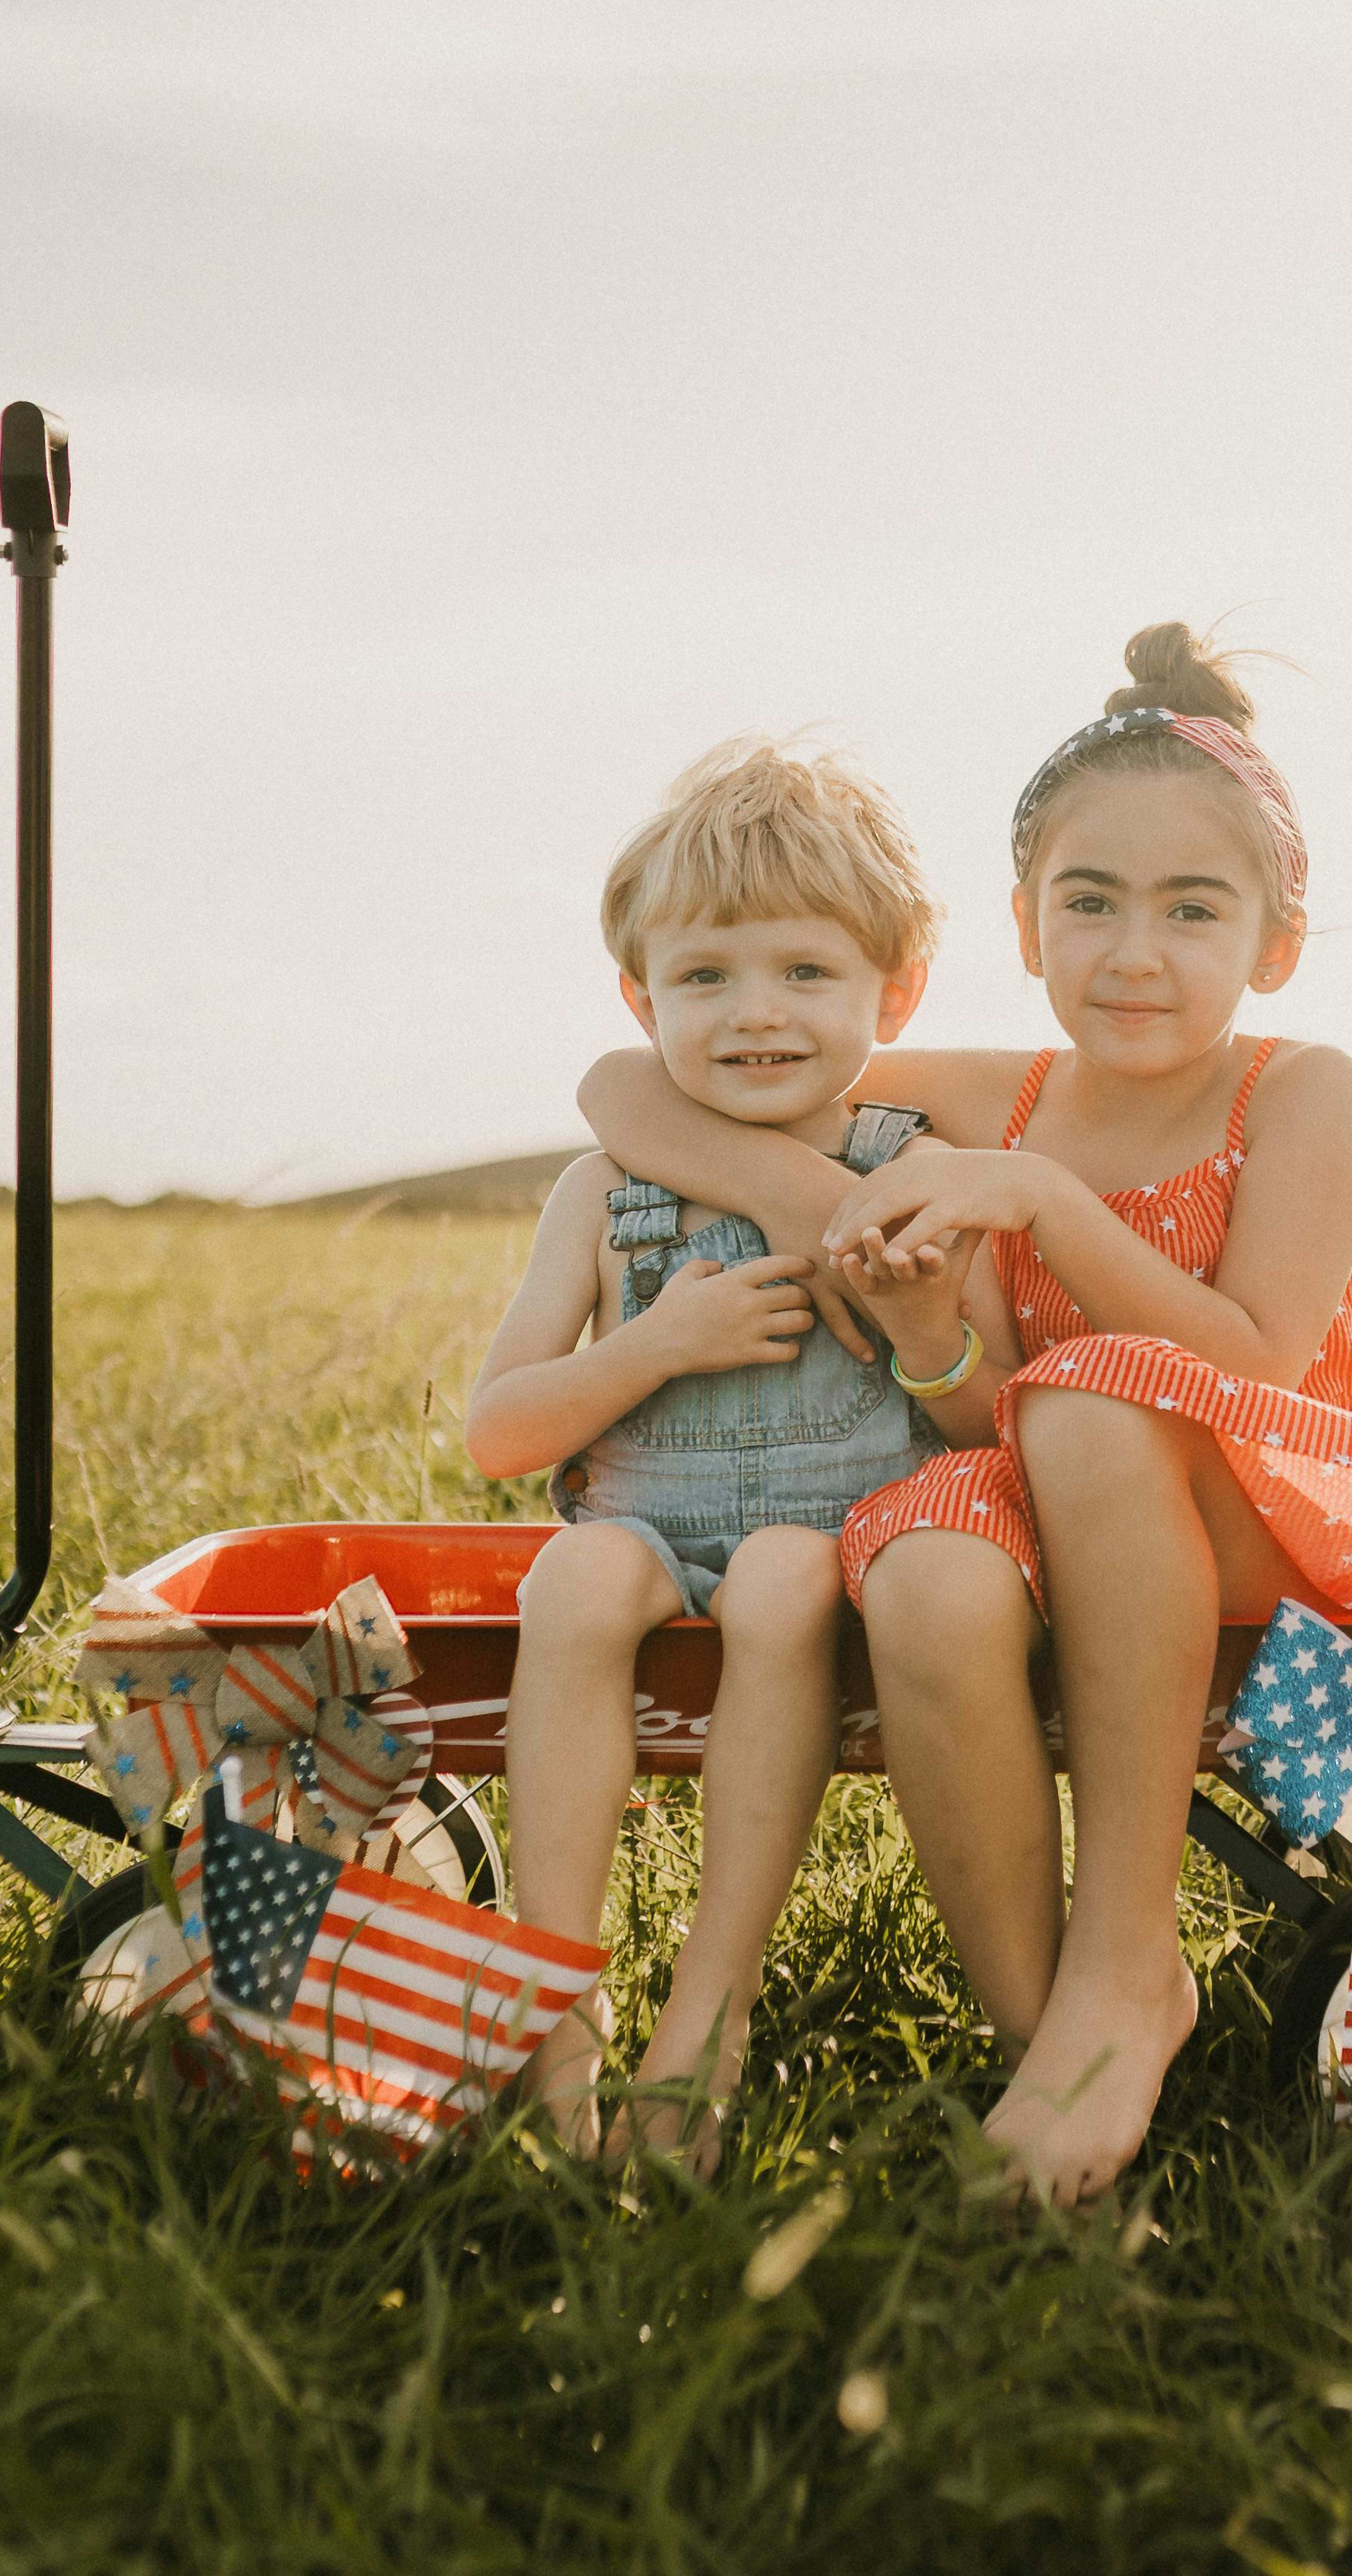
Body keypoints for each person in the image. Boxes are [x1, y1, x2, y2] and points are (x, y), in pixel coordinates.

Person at [580, 625, 1352, 2201]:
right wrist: (885, 1289)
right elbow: (626, 1093)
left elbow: (1247, 1361)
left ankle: (1126, 1956)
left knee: (1102, 1400)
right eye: (1088, 901)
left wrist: (1044, 1202)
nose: (1134, 949)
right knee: (918, 1557)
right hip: (1054, 1521)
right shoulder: (993, 1086)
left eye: (1193, 908)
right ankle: (1047, 2027)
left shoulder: (1303, 1088)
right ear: (1026, 925)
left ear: (1275, 939)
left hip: (1276, 1518)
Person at [465, 737, 976, 2159]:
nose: (755, 1014)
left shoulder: (913, 1165)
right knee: (569, 1586)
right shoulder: (602, 1185)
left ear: (897, 991)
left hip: (829, 1548)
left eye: (805, 973)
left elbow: (972, 1410)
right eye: (705, 977)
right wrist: (650, 1350)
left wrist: (914, 1313)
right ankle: (553, 2008)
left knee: (779, 1586)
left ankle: (712, 2006)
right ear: (641, 999)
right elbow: (500, 1431)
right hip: (638, 1531)